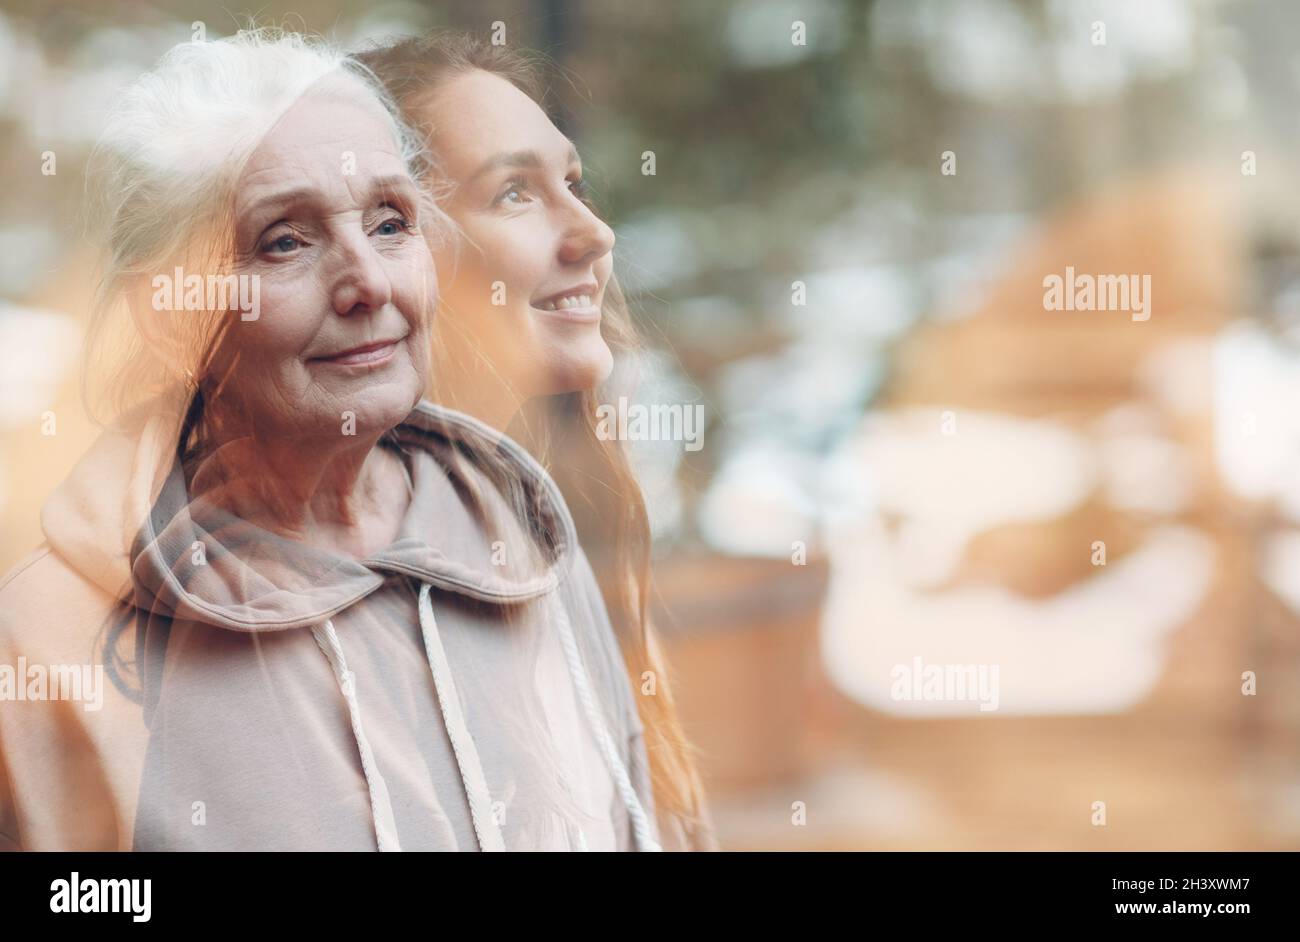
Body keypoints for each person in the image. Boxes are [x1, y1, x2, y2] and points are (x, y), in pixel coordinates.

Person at [0, 29, 661, 851]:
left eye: (390, 223)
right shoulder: (43, 635)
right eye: (285, 240)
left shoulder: (516, 532)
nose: (368, 283)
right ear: (171, 315)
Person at [356, 33, 717, 851]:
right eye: (515, 192)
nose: (593, 233)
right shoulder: (340, 606)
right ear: (385, 247)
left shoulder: (552, 552)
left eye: (574, 184)